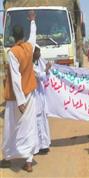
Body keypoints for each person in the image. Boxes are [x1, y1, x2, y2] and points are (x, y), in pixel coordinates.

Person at [1, 11, 38, 172]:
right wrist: (32, 21)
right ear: (22, 35)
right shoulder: (29, 47)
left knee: (11, 127)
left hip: (17, 98)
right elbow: (34, 36)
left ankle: (8, 157)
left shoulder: (12, 53)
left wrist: (20, 101)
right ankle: (28, 161)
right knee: (28, 127)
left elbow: (15, 79)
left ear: (12, 37)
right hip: (30, 93)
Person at [32, 45, 52, 155]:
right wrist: (47, 68)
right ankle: (38, 146)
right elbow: (40, 76)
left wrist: (47, 70)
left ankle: (44, 145)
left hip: (40, 95)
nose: (40, 54)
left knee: (42, 120)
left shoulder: (37, 63)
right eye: (38, 52)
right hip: (34, 96)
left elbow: (46, 77)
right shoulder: (30, 65)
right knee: (37, 121)